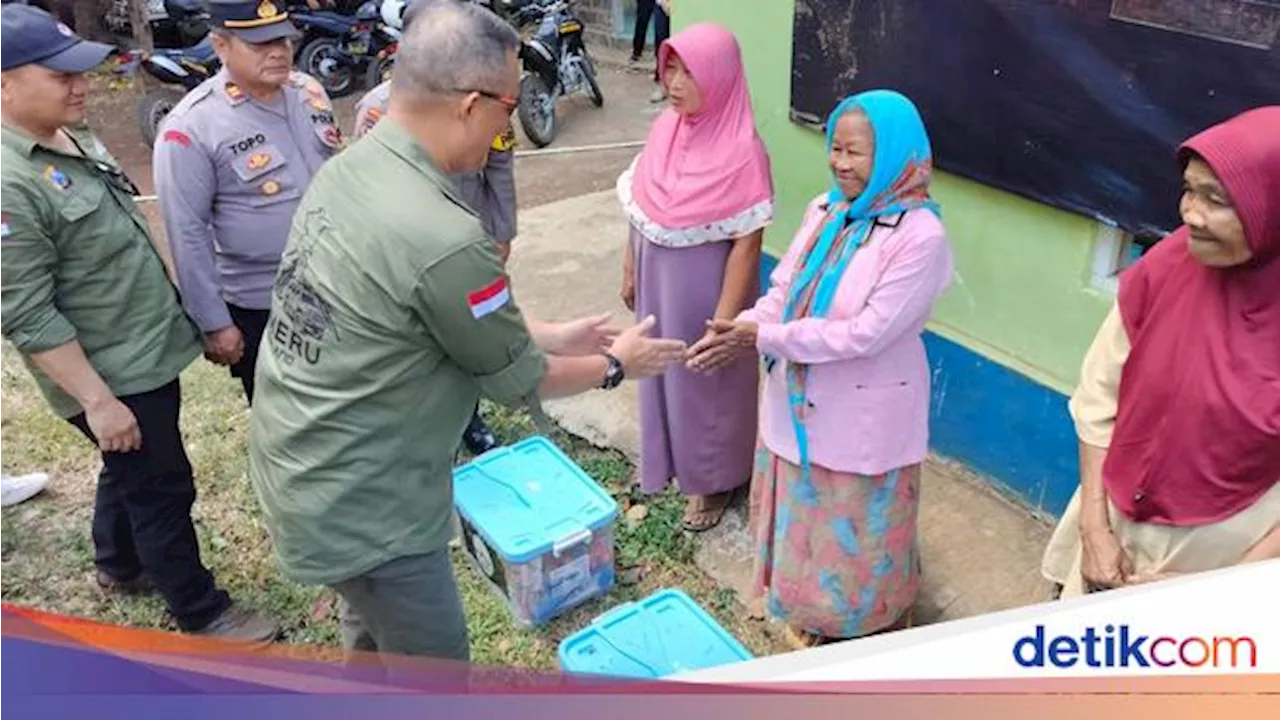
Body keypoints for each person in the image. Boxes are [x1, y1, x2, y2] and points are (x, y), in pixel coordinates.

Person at [246, 0, 686, 669]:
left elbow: (427, 318)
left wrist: (559, 332)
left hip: (302, 467)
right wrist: (616, 366)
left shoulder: (351, 172)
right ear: (471, 104)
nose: (505, 131)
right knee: (435, 666)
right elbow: (520, 380)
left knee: (370, 632)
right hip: (369, 505)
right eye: (510, 110)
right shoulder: (443, 235)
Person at [0, 4, 277, 642]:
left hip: (141, 350)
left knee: (126, 465)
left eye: (80, 72)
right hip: (107, 370)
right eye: (59, 75)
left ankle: (119, 564)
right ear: (6, 83)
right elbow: (26, 311)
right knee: (160, 486)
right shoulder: (11, 184)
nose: (80, 86)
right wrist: (97, 401)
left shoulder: (67, 134)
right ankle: (200, 610)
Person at [687, 90, 954, 648]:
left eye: (856, 153)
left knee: (857, 526)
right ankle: (809, 613)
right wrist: (742, 328)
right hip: (799, 398)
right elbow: (784, 289)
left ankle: (866, 622)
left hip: (865, 409)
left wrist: (768, 336)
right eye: (835, 148)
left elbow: (867, 332)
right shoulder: (825, 210)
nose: (840, 162)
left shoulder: (920, 237)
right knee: (805, 521)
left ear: (895, 156)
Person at [1041, 107, 1280, 598]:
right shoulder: (1170, 264)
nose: (1190, 213)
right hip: (1111, 512)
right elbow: (1097, 398)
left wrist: (1225, 588)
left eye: (1218, 200)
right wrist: (1094, 528)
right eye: (1190, 189)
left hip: (1225, 552)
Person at [618, 23, 772, 532]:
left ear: (721, 77)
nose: (676, 82)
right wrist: (628, 265)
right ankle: (669, 464)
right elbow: (639, 203)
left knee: (708, 384)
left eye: (690, 72)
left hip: (707, 292)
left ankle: (715, 479)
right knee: (661, 371)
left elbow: (748, 243)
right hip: (656, 277)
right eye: (672, 69)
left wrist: (725, 322)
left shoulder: (744, 150)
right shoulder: (666, 127)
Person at [153, 0, 344, 405]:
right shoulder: (192, 126)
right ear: (221, 45)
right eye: (259, 43)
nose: (277, 51)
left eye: (282, 39)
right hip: (265, 303)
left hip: (341, 283)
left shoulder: (309, 93)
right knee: (288, 416)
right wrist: (214, 322)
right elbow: (187, 232)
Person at [354, 2, 518, 456]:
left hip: (466, 237)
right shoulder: (377, 110)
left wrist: (501, 232)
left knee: (470, 334)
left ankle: (469, 417)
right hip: (405, 255)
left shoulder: (485, 98)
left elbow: (500, 163)